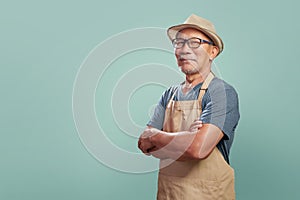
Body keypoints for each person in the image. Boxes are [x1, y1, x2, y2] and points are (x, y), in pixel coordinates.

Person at [138, 14, 240, 199]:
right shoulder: (169, 94)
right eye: (179, 42)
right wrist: (186, 138)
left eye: (194, 42)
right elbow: (144, 143)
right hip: (169, 193)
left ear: (213, 52)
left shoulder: (221, 93)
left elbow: (198, 149)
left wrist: (156, 136)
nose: (184, 49)